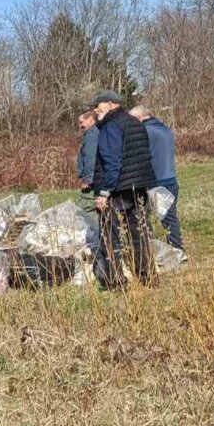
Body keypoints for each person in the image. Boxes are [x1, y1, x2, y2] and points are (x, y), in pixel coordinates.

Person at [89, 91, 156, 290]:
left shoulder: (111, 126)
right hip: (138, 187)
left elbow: (113, 162)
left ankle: (115, 281)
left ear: (110, 104)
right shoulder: (135, 123)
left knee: (111, 236)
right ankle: (148, 277)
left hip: (116, 189)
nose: (94, 110)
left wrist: (104, 192)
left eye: (97, 105)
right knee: (140, 233)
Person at [131, 106, 184, 253]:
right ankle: (173, 247)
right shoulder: (165, 130)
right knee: (169, 216)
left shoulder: (144, 132)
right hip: (170, 179)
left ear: (139, 118)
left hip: (156, 182)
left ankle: (175, 249)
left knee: (149, 216)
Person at [76, 111, 100, 213]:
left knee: (85, 209)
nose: (80, 126)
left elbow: (90, 158)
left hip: (91, 181)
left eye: (82, 122)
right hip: (93, 179)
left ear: (91, 120)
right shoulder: (91, 133)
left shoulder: (91, 135)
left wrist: (87, 179)